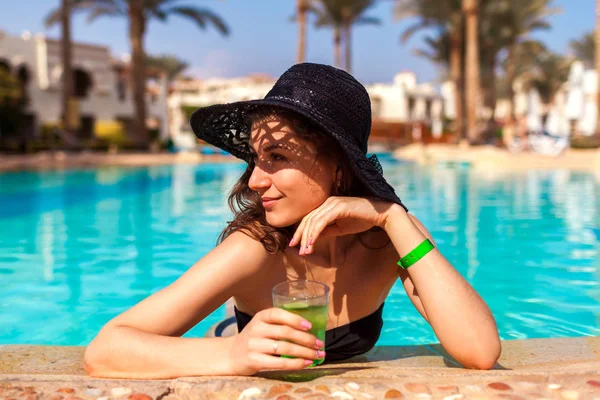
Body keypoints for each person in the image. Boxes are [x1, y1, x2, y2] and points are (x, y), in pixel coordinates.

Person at [84, 63, 501, 379]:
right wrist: (234, 354)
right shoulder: (253, 249)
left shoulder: (390, 237)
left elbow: (480, 352)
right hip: (235, 338)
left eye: (277, 158)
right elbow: (105, 350)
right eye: (256, 159)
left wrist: (393, 217)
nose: (253, 180)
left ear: (339, 165)